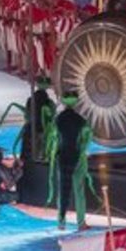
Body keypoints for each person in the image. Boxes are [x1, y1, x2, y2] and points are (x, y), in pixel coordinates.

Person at [48, 89, 91, 231]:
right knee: (79, 190)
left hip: (62, 157)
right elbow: (85, 142)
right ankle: (81, 223)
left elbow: (54, 140)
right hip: (77, 157)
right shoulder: (81, 121)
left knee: (63, 189)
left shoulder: (58, 119)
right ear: (76, 103)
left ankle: (61, 223)